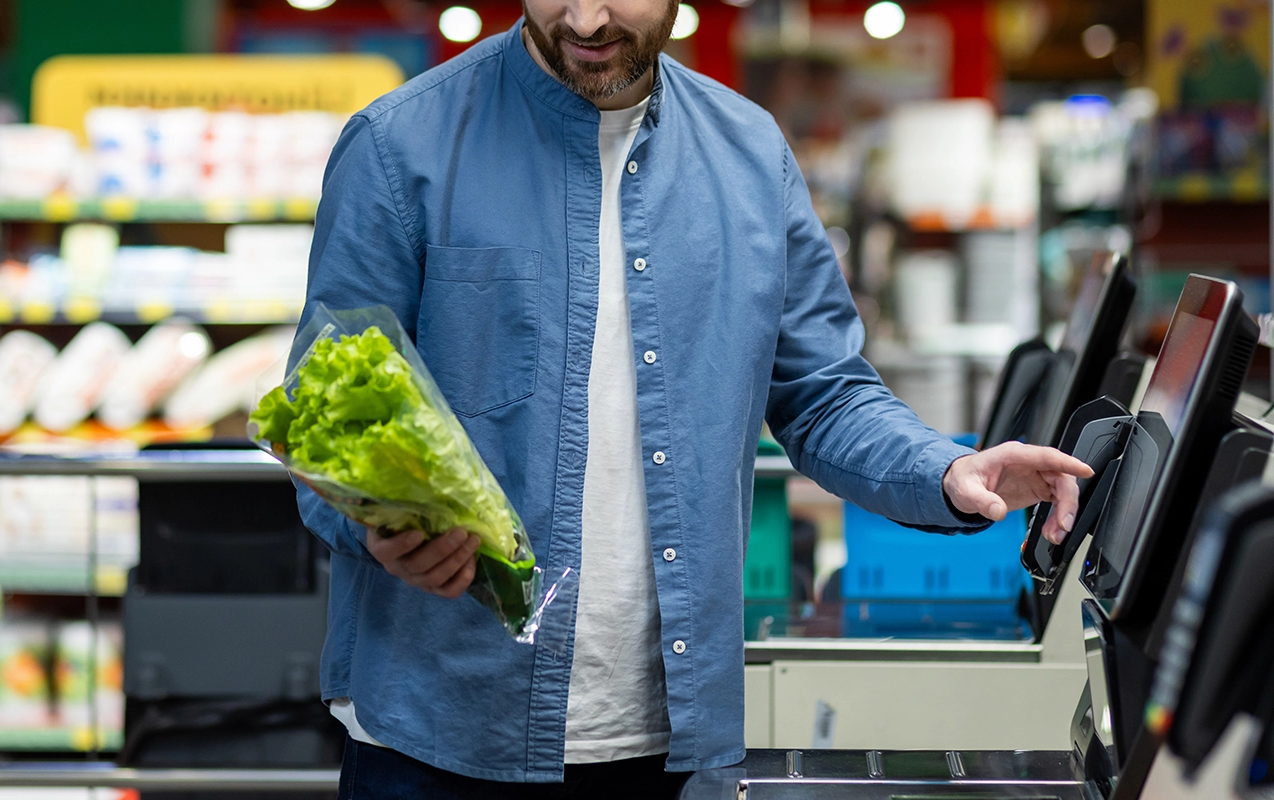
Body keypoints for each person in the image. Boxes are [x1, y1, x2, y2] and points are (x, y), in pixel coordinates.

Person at [293, 0, 1093, 796]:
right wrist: (375, 524)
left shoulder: (749, 154)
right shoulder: (400, 146)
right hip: (440, 732)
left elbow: (822, 392)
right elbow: (325, 411)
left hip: (669, 738)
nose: (586, 18)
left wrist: (948, 471)